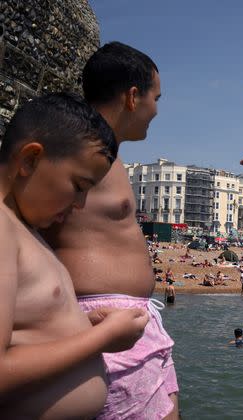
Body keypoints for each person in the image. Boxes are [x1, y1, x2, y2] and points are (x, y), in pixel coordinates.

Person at [40, 42, 180, 419]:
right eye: (157, 98)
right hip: (104, 327)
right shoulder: (73, 151)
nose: (157, 110)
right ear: (133, 97)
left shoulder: (109, 157)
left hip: (139, 327)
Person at [0, 93, 150, 419]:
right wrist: (102, 337)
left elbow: (28, 327)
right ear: (29, 160)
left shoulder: (27, 231)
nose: (80, 204)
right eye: (79, 185)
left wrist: (83, 324)